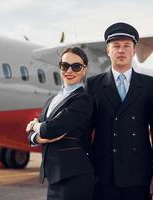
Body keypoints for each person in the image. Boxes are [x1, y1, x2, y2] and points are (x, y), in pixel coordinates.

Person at [85, 22, 153, 200]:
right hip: (103, 175)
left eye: (126, 46)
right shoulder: (93, 85)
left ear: (134, 51)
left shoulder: (150, 85)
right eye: (116, 46)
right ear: (108, 51)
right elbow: (85, 130)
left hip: (139, 175)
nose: (121, 50)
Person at [26, 47, 94, 200]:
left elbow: (51, 129)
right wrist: (37, 136)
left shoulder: (83, 100)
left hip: (74, 176)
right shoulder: (52, 100)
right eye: (65, 65)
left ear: (84, 70)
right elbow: (33, 135)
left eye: (76, 66)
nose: (69, 70)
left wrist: (36, 126)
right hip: (54, 176)